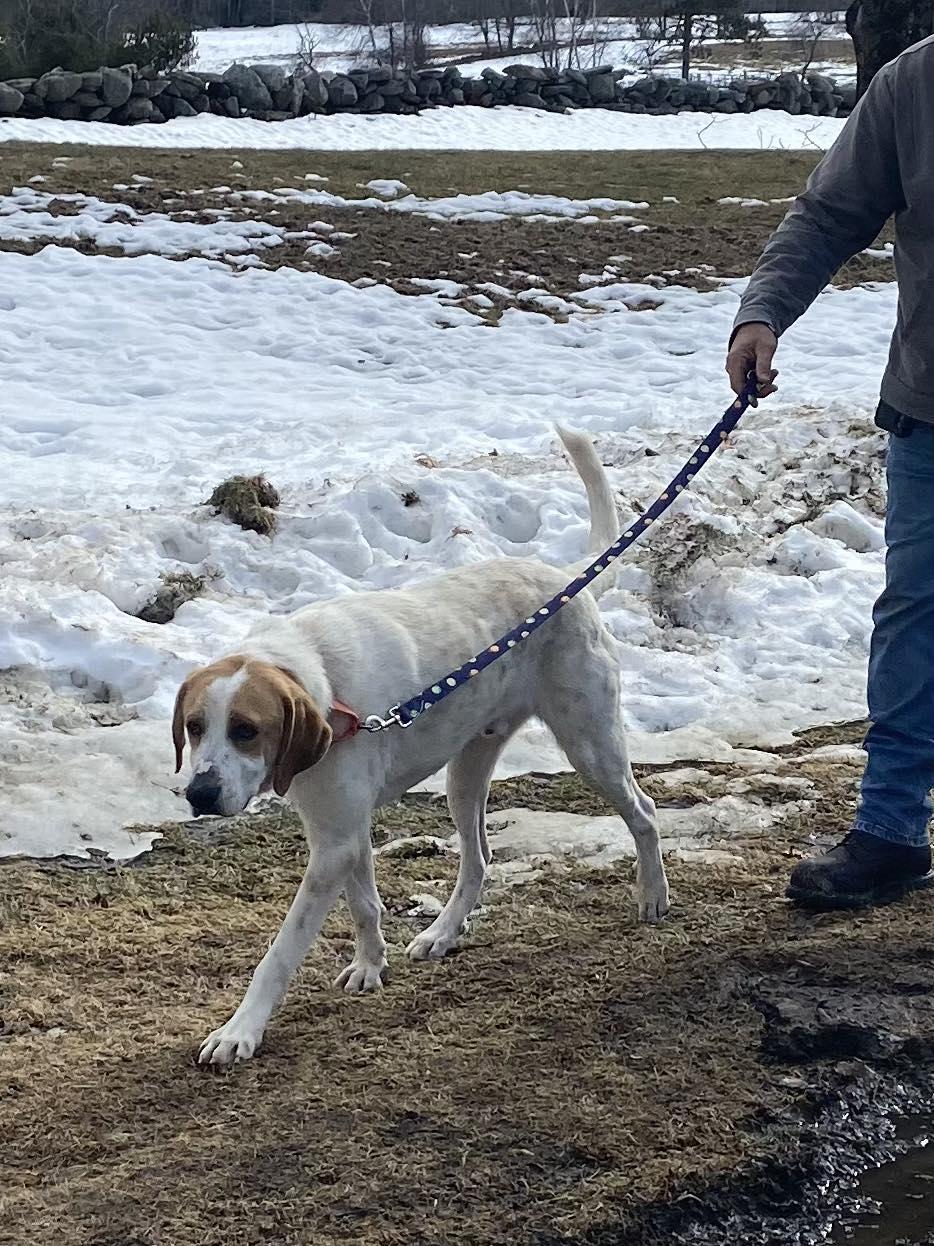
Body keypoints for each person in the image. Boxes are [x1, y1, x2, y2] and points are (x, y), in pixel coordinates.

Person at [726, 35, 934, 910]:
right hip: (930, 406)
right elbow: (827, 215)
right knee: (915, 617)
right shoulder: (914, 83)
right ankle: (889, 833)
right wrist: (762, 314)